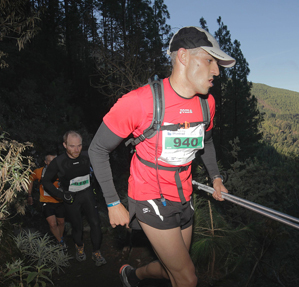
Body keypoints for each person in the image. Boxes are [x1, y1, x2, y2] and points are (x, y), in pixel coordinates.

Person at [89, 26, 234, 287]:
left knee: (175, 270)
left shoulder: (206, 104)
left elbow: (207, 143)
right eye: (210, 60)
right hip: (150, 196)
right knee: (188, 278)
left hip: (184, 192)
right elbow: (97, 149)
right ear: (183, 56)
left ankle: (133, 276)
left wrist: (216, 177)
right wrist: (112, 202)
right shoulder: (140, 102)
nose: (216, 71)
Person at [42, 131, 107, 266]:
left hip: (87, 193)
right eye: (72, 146)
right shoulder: (58, 162)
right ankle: (79, 246)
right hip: (71, 197)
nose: (76, 150)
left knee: (95, 223)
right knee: (77, 226)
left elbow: (103, 164)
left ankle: (96, 251)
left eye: (79, 145)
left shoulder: (87, 155)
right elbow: (46, 181)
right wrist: (61, 195)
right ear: (65, 145)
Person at [27, 152, 67, 250]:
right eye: (50, 161)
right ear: (45, 162)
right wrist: (29, 195)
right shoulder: (39, 172)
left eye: (54, 161)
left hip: (60, 201)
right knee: (52, 224)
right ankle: (60, 242)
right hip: (46, 202)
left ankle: (60, 238)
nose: (53, 163)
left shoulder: (61, 171)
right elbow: (30, 179)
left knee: (61, 223)